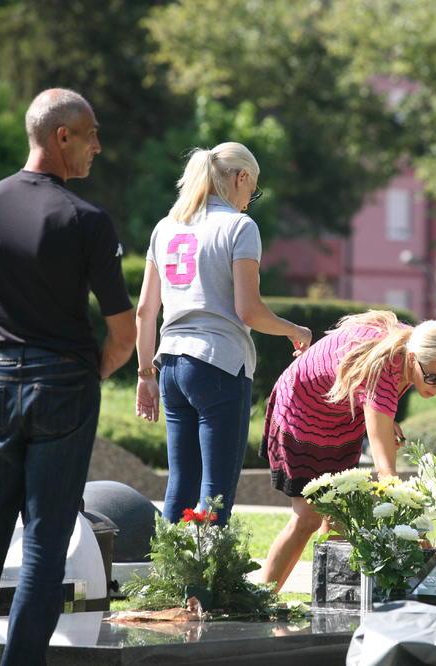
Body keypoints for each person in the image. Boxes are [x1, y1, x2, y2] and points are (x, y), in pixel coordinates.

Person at [0, 88, 136, 665]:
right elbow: (123, 333)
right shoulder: (87, 220)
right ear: (62, 137)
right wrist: (88, 371)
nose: (98, 147)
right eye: (92, 135)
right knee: (46, 547)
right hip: (64, 383)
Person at [134, 142, 311, 526]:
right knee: (215, 492)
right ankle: (205, 583)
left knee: (179, 484)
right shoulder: (239, 226)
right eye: (252, 189)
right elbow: (248, 311)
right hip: (218, 364)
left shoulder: (166, 227)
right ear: (240, 177)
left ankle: (170, 577)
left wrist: (144, 373)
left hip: (171, 365)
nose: (250, 199)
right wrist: (294, 330)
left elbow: (146, 311)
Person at [260, 310, 436, 590]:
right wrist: (413, 525)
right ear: (413, 358)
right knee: (307, 517)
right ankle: (262, 599)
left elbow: (373, 399)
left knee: (342, 515)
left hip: (342, 416)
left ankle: (332, 598)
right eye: (434, 379)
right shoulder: (384, 369)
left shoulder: (411, 344)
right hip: (301, 410)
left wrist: (384, 420)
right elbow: (385, 471)